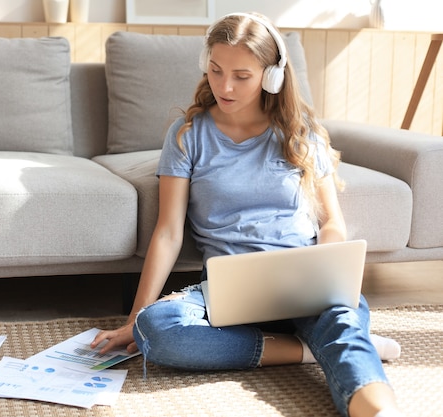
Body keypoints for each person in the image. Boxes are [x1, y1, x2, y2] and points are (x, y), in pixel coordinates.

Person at [90, 12, 405, 417]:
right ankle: (310, 351)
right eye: (217, 71)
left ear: (271, 77)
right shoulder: (188, 136)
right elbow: (168, 232)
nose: (224, 86)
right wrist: (135, 317)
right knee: (158, 330)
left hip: (304, 280)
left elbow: (332, 222)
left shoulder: (299, 132)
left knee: (342, 323)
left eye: (241, 75)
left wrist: (326, 266)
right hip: (227, 288)